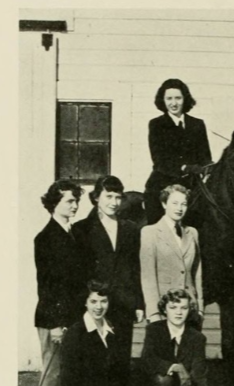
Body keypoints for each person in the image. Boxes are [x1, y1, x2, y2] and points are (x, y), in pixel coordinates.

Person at [60, 281, 154, 386]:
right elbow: (68, 381)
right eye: (93, 301)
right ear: (85, 303)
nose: (99, 307)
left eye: (104, 301)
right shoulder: (76, 333)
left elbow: (118, 374)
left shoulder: (111, 330)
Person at [34, 179, 88, 386]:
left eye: (76, 200)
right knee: (52, 373)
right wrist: (55, 324)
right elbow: (47, 287)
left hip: (73, 316)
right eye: (69, 200)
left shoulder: (73, 234)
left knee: (68, 373)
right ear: (54, 203)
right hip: (52, 318)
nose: (75, 205)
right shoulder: (45, 239)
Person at [72, 175, 145, 360]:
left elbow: (135, 267)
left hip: (123, 304)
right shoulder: (81, 229)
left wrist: (138, 303)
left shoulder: (131, 229)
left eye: (118, 197)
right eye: (108, 196)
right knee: (94, 359)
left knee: (120, 360)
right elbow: (78, 271)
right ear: (96, 197)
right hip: (95, 304)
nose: (114, 202)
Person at [140, 289, 208, 386]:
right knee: (164, 379)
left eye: (183, 308)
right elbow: (147, 359)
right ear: (165, 309)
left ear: (189, 310)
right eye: (173, 308)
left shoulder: (197, 338)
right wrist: (174, 367)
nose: (178, 313)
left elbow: (200, 379)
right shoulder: (154, 330)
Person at [144, 78, 212, 225]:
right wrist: (184, 167)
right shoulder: (156, 124)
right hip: (163, 183)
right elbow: (159, 160)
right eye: (169, 98)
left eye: (178, 98)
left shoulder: (197, 124)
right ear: (163, 100)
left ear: (185, 99)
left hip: (192, 185)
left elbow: (205, 156)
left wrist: (207, 167)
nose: (173, 103)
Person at [140, 184, 203, 324]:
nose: (179, 208)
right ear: (164, 204)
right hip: (164, 310)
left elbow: (197, 273)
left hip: (189, 309)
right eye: (174, 203)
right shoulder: (150, 233)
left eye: (184, 204)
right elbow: (148, 276)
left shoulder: (192, 233)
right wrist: (154, 313)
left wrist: (200, 308)